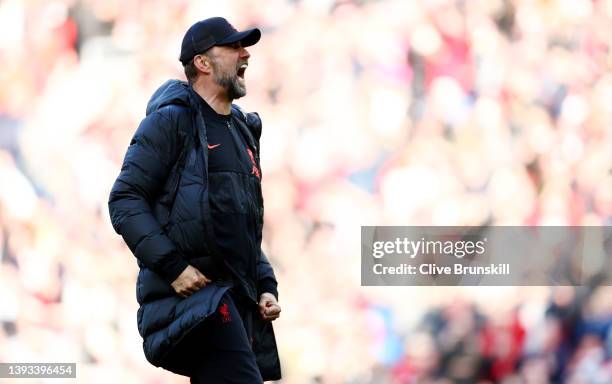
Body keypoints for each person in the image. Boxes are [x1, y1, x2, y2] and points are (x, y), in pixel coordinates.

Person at [108, 17, 281, 383]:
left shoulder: (244, 130)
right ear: (202, 63)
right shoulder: (170, 122)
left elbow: (242, 223)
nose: (245, 53)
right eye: (233, 47)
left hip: (234, 304)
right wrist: (174, 268)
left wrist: (265, 284)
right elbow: (124, 200)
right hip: (196, 301)